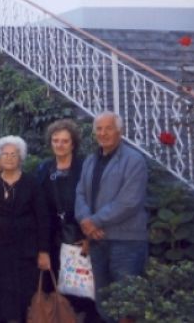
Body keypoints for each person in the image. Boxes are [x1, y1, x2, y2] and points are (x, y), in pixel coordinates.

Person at [75, 112, 148, 322]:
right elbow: (80, 194)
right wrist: (85, 220)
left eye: (108, 128)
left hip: (126, 242)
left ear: (120, 131)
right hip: (97, 240)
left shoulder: (134, 160)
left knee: (127, 302)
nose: (103, 133)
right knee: (103, 300)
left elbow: (129, 201)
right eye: (99, 129)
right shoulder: (90, 160)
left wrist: (94, 221)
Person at [0, 136, 50, 323]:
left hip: (25, 252)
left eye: (13, 154)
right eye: (5, 154)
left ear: (21, 158)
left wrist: (43, 251)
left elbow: (43, 219)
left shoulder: (32, 183)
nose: (9, 158)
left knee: (22, 297)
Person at [35, 119, 98, 322]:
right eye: (55, 140)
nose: (59, 145)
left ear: (73, 144)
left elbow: (94, 201)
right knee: (55, 288)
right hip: (53, 239)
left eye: (64, 141)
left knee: (81, 291)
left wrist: (89, 237)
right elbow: (39, 207)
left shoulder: (85, 167)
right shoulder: (44, 169)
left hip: (79, 238)